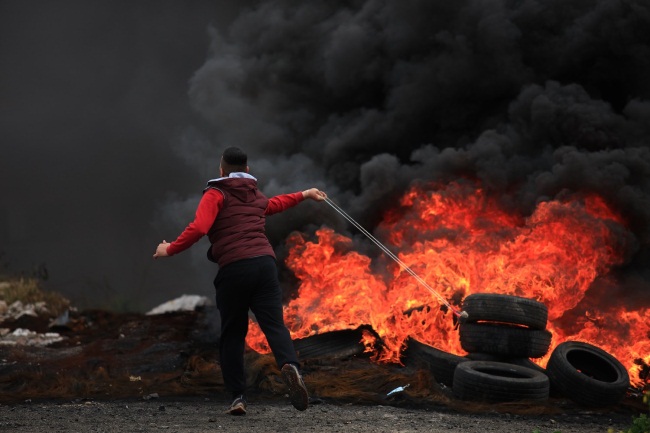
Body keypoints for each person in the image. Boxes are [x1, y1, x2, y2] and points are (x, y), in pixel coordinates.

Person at [153, 146, 327, 415]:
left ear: (220, 169)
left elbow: (199, 227)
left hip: (234, 269)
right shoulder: (254, 193)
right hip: (265, 266)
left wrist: (170, 248)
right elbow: (275, 204)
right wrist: (305, 194)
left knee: (233, 334)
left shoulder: (216, 193)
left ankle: (238, 398)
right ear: (247, 170)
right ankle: (290, 366)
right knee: (274, 326)